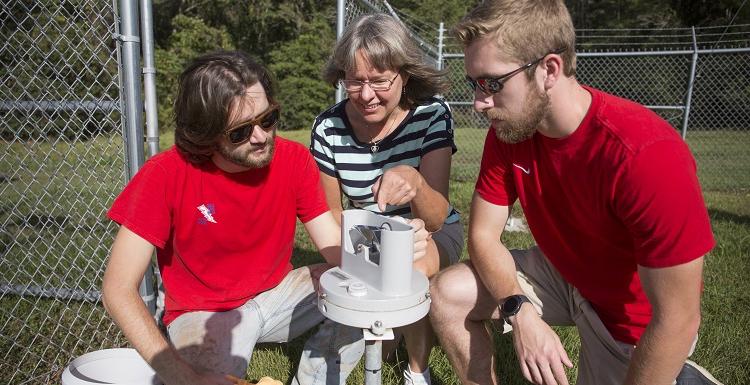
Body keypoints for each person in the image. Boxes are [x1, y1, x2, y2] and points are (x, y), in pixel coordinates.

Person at [429, 1, 722, 385]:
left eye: (492, 83)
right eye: (474, 84)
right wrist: (519, 311)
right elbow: (483, 236)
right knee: (448, 292)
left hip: (629, 318)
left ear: (549, 69)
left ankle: (682, 377)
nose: (480, 102)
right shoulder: (510, 132)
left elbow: (678, 319)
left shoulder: (645, 155)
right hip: (565, 272)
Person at [101, 50, 428, 385]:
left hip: (278, 294)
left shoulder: (294, 160)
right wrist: (185, 378)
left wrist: (390, 249)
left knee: (356, 290)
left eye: (268, 119)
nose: (261, 136)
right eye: (240, 132)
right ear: (206, 132)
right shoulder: (165, 174)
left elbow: (334, 247)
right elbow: (118, 289)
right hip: (203, 313)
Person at [310, 13, 463, 385]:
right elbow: (329, 215)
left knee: (408, 269)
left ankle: (417, 371)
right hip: (367, 237)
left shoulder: (431, 116)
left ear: (404, 75)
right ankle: (381, 340)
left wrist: (415, 184)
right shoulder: (327, 128)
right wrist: (358, 256)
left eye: (379, 81)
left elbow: (437, 217)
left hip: (428, 232)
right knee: (385, 276)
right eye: (355, 81)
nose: (366, 95)